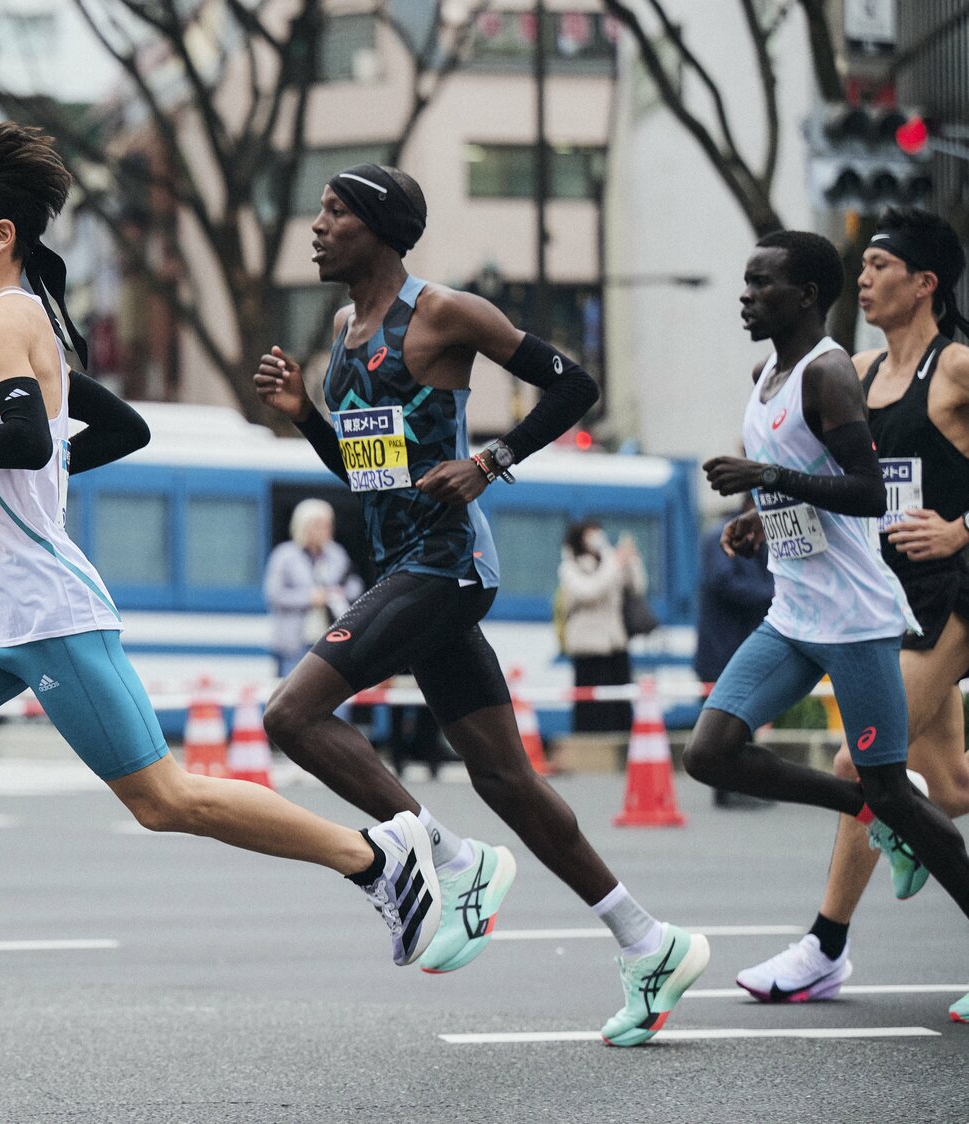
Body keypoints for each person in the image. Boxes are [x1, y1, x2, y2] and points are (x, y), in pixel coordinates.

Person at [0, 124, 465, 1057]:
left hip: (45, 612)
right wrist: (23, 480)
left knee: (163, 798)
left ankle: (376, 859)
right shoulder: (16, 321)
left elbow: (26, 442)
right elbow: (117, 429)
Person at [253, 161, 708, 1046]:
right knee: (504, 778)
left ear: (380, 230)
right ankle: (649, 941)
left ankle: (448, 857)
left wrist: (491, 461)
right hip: (402, 564)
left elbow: (575, 385)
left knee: (290, 714)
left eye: (335, 212)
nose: (317, 226)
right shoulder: (344, 330)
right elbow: (369, 471)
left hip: (445, 563)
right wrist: (305, 415)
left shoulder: (444, 313)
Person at [685, 228, 969, 1022]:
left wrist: (960, 530)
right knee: (710, 754)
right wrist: (761, 514)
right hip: (794, 612)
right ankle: (872, 816)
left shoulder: (840, 369)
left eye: (760, 284)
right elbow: (813, 482)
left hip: (867, 615)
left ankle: (833, 927)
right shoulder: (790, 373)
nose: (745, 297)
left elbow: (867, 490)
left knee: (889, 783)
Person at [693, 502, 775, 809]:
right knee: (723, 721)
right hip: (721, 646)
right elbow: (723, 581)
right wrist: (773, 594)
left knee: (740, 721)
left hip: (739, 643)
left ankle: (739, 785)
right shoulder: (721, 536)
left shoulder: (759, 539)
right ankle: (727, 787)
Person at [558, 519, 646, 734]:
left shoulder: (609, 561)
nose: (597, 538)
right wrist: (613, 562)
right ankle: (589, 742)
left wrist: (631, 560)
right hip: (588, 645)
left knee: (620, 699)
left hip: (615, 641)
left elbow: (638, 587)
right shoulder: (570, 566)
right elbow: (589, 592)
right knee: (591, 705)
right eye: (591, 534)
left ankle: (622, 738)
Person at [264, 499, 362, 678]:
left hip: (329, 639)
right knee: (293, 689)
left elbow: (355, 585)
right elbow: (274, 594)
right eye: (319, 524)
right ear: (303, 526)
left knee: (328, 687)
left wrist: (340, 593)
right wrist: (309, 597)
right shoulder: (285, 555)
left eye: (328, 524)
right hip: (294, 643)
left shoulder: (337, 554)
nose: (326, 529)